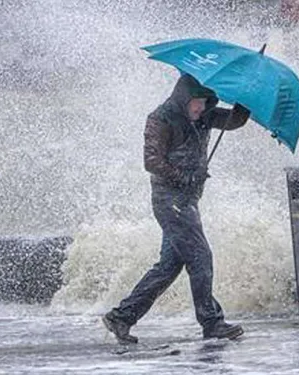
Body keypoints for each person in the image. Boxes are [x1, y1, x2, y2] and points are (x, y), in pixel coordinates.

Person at [102, 74, 251, 343]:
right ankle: (211, 322)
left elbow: (234, 121)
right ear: (184, 98)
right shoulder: (160, 119)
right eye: (196, 102)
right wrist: (184, 177)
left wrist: (245, 101)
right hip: (169, 200)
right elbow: (151, 161)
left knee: (169, 266)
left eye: (206, 103)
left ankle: (121, 317)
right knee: (200, 256)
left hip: (188, 200)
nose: (200, 108)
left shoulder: (204, 114)